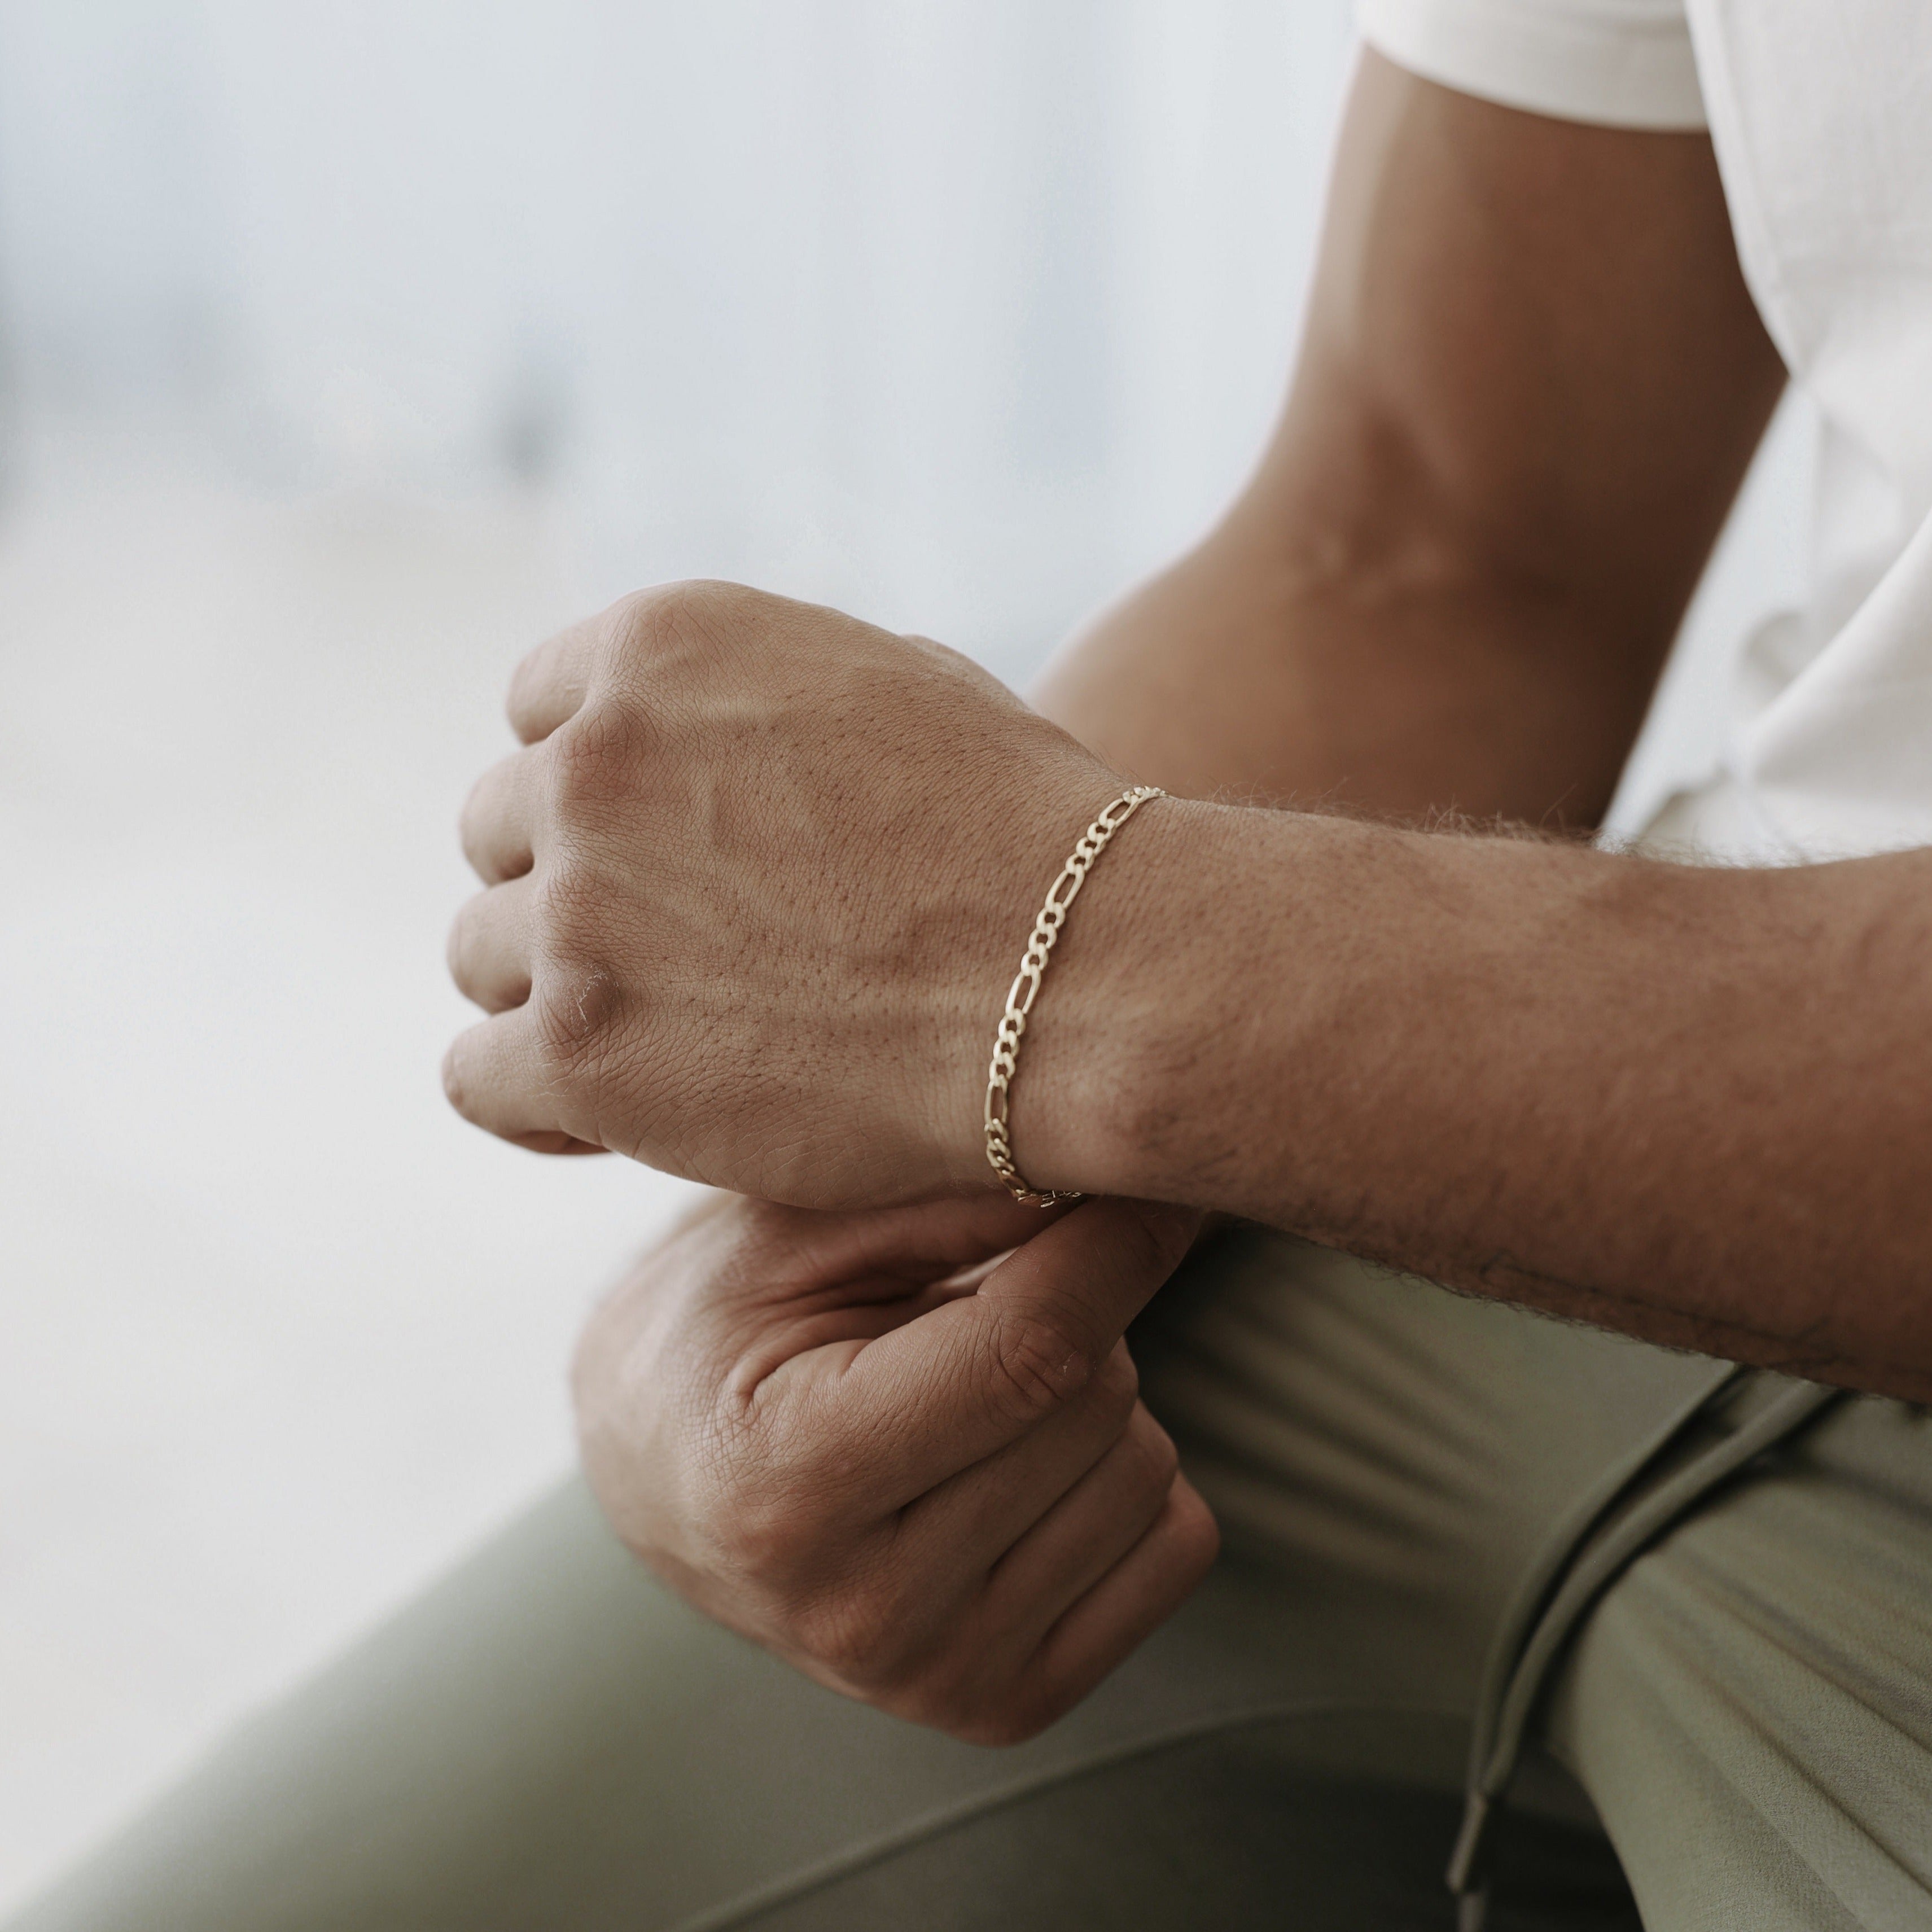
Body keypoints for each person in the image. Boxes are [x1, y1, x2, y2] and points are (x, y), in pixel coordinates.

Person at [18, 5, 1932, 1930]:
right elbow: (1432, 536)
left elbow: (1071, 942)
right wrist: (773, 1270)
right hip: (1556, 1112)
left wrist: (1068, 963)